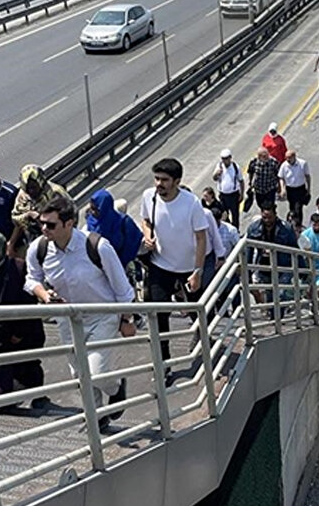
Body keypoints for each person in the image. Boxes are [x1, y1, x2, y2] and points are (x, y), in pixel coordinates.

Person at [25, 196, 133, 431]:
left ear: (69, 223)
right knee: (79, 374)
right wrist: (44, 295)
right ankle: (97, 416)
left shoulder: (97, 246)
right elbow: (31, 279)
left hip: (101, 316)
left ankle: (116, 388)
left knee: (97, 372)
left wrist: (126, 319)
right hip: (68, 319)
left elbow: (122, 288)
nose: (44, 229)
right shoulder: (39, 249)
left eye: (51, 225)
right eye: (42, 224)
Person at [139, 159, 209, 382]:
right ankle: (163, 363)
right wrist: (148, 234)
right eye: (157, 178)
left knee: (198, 310)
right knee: (159, 315)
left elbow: (201, 238)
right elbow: (146, 220)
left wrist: (197, 271)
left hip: (188, 268)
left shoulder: (191, 203)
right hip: (160, 266)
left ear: (177, 182)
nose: (159, 184)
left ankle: (203, 341)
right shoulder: (148, 197)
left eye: (164, 180)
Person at [0, 231, 46, 408]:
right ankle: (0, 399)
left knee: (27, 363)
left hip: (22, 327)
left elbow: (29, 302)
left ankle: (37, 395)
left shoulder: (19, 267)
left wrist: (20, 332)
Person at [244, 202, 301, 309]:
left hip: (283, 267)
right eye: (264, 217)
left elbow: (295, 250)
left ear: (275, 215)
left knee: (281, 294)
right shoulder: (254, 228)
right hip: (265, 267)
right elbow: (249, 252)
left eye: (270, 217)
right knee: (270, 297)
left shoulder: (286, 229)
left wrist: (303, 271)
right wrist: (247, 274)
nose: (267, 220)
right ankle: (274, 319)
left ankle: (280, 317)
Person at [9, 165, 70, 258]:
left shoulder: (55, 192)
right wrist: (27, 215)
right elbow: (15, 218)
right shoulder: (23, 195)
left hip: (58, 236)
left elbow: (71, 214)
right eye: (27, 188)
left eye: (33, 187)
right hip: (35, 238)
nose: (31, 191)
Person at [85, 189, 143, 282]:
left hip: (122, 269)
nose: (93, 212)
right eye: (92, 208)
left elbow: (133, 245)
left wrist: (118, 267)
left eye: (97, 209)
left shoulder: (124, 223)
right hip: (100, 271)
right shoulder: (91, 221)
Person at [212, 149, 245, 229]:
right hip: (223, 195)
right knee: (224, 214)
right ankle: (227, 229)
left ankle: (236, 230)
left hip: (233, 195)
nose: (224, 160)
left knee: (235, 215)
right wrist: (216, 174)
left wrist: (242, 194)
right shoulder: (219, 166)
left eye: (226, 158)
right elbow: (214, 178)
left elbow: (241, 181)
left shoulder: (235, 167)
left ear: (230, 158)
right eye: (223, 158)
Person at [278, 150, 312, 225]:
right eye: (286, 158)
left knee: (298, 208)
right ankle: (292, 224)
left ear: (294, 157)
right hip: (290, 189)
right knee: (292, 208)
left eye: (289, 158)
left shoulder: (302, 164)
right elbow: (281, 177)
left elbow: (307, 176)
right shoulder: (284, 165)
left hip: (300, 189)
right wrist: (283, 189)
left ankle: (298, 224)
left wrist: (309, 189)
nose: (288, 160)